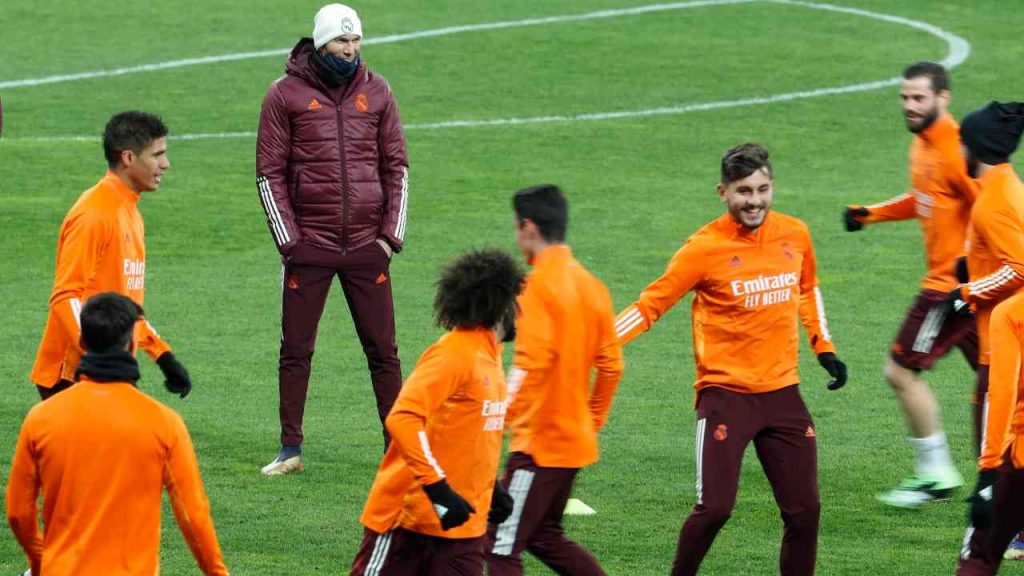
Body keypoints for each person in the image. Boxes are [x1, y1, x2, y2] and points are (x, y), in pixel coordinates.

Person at [616, 143, 846, 576]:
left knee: (804, 511)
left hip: (783, 394)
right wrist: (599, 345)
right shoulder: (703, 248)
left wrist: (824, 346)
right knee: (716, 508)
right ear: (723, 192)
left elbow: (806, 288)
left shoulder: (795, 234)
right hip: (725, 396)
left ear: (772, 186)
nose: (754, 200)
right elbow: (651, 304)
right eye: (743, 191)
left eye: (761, 189)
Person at [256, 2, 409, 475]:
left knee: (383, 351)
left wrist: (389, 238)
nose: (349, 50)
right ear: (320, 44)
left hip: (367, 247)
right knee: (296, 349)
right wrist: (291, 243)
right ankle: (290, 449)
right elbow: (269, 175)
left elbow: (397, 167)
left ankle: (399, 449)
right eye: (341, 42)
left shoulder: (378, 90)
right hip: (311, 247)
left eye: (355, 40)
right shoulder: (284, 96)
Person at [6, 292, 228, 575]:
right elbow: (192, 515)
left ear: (82, 343)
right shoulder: (164, 424)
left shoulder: (41, 419)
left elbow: (17, 511)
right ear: (133, 344)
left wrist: (40, 563)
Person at [843, 61, 978, 508]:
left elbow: (994, 211)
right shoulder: (921, 146)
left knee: (901, 371)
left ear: (944, 97)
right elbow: (924, 199)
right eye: (904, 97)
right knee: (1001, 388)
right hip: (972, 291)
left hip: (950, 289)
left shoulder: (958, 151)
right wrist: (872, 213)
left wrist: (969, 267)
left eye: (919, 98)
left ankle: (935, 474)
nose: (910, 106)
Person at [351, 249, 523, 575]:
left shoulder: (491, 356)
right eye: (515, 300)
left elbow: (467, 433)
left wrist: (490, 486)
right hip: (408, 523)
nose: (520, 310)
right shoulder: (454, 354)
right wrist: (438, 489)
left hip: (465, 529)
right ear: (498, 306)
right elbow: (403, 418)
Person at [485, 185, 625, 576]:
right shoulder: (593, 286)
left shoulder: (536, 288)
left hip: (540, 447)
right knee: (544, 536)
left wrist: (497, 420)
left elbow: (529, 365)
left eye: (516, 228)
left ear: (528, 227)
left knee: (499, 546)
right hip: (575, 441)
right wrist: (592, 422)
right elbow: (612, 366)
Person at [29, 111, 191, 401]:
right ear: (128, 158)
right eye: (157, 155)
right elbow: (65, 296)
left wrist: (162, 356)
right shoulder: (94, 213)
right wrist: (99, 356)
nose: (165, 164)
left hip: (106, 369)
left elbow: (126, 304)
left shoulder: (130, 212)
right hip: (74, 374)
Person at [952, 101, 1024, 576]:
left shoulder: (996, 201)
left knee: (981, 547)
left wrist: (966, 291)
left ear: (975, 147)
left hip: (1005, 355)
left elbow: (1020, 265)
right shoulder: (1009, 189)